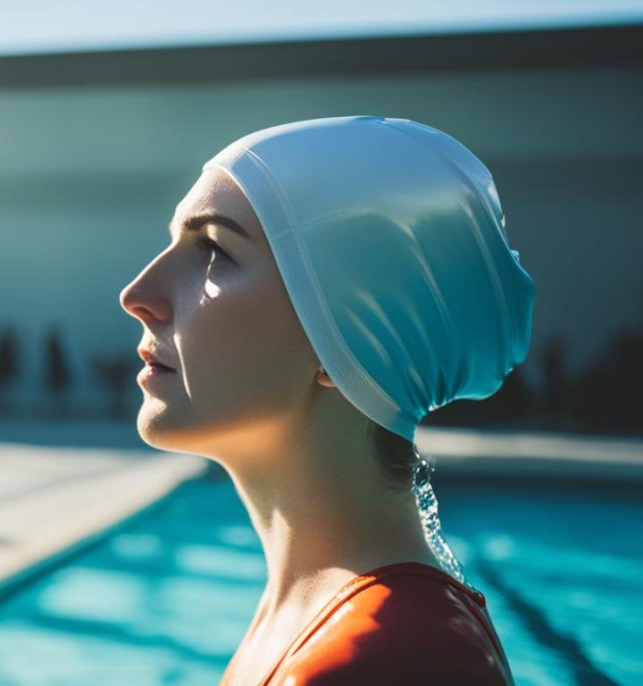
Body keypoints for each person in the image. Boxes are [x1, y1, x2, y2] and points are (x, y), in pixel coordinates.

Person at [119, 116, 533, 685]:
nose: (138, 295)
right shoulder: (329, 618)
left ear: (348, 337)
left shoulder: (383, 657)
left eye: (214, 249)